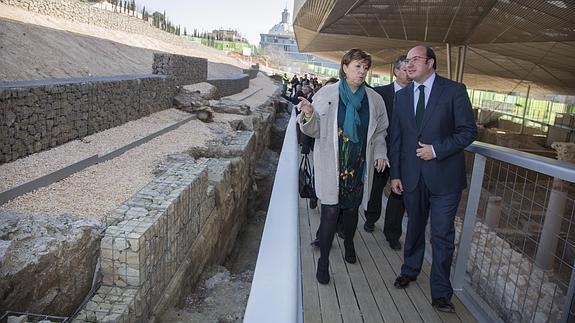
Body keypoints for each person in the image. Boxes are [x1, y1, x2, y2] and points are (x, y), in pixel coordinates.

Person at [389, 46, 477, 313]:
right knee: (414, 227)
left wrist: (436, 150)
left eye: (416, 59)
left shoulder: (454, 90)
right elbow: (397, 138)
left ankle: (441, 293)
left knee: (442, 235)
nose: (410, 64)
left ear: (431, 63)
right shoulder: (402, 97)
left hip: (445, 179)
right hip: (412, 177)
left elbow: (468, 131)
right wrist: (395, 174)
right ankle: (409, 270)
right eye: (407, 60)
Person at [298, 48, 389, 284]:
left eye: (365, 67)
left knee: (350, 212)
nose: (362, 72)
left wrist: (380, 153)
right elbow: (314, 129)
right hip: (332, 166)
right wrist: (308, 115)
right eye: (357, 66)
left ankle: (349, 242)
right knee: (329, 212)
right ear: (345, 67)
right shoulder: (327, 93)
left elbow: (380, 133)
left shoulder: (375, 100)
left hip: (358, 166)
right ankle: (324, 261)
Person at [364, 55, 411, 251]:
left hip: (404, 152)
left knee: (398, 191)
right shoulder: (380, 93)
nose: (409, 74)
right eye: (405, 69)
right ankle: (370, 218)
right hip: (382, 147)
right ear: (396, 71)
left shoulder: (418, 96)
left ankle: (392, 233)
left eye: (411, 70)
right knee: (377, 186)